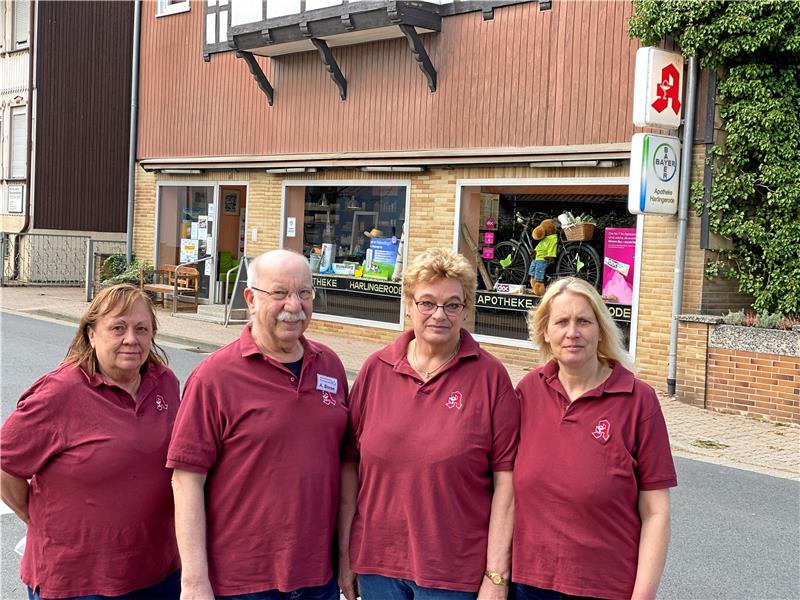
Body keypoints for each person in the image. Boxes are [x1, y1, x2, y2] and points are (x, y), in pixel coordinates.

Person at [338, 248, 520, 600]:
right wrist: (346, 554)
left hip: (453, 573)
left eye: (452, 304)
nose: (440, 314)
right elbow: (351, 466)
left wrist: (496, 576)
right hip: (378, 566)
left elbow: (507, 483)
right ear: (408, 304)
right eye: (427, 303)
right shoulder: (376, 369)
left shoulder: (489, 377)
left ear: (466, 310)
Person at [168, 249, 348, 600]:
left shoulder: (330, 366)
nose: (294, 306)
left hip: (316, 578)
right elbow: (186, 480)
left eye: (305, 293)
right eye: (279, 293)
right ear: (250, 299)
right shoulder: (215, 376)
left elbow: (344, 466)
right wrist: (193, 580)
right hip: (241, 581)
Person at [0, 284, 181, 600]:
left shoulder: (164, 382)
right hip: (77, 581)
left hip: (158, 572)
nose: (131, 339)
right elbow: (5, 466)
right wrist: (37, 519)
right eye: (117, 328)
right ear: (91, 334)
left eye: (141, 329)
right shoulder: (60, 393)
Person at [512, 277, 677, 600]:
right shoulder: (527, 392)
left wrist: (643, 596)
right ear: (545, 332)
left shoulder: (637, 400)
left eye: (584, 321)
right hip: (528, 583)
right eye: (561, 322)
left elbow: (656, 512)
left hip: (605, 587)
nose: (572, 332)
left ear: (600, 330)